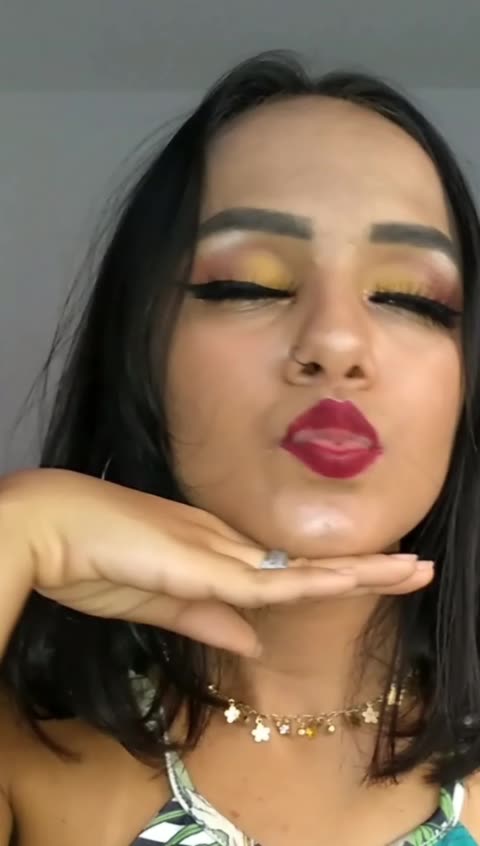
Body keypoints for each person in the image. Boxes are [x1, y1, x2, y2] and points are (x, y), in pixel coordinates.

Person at [0, 48, 479, 846]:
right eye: (247, 284)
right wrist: (14, 528)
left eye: (410, 297)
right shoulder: (25, 754)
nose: (335, 340)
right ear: (141, 351)